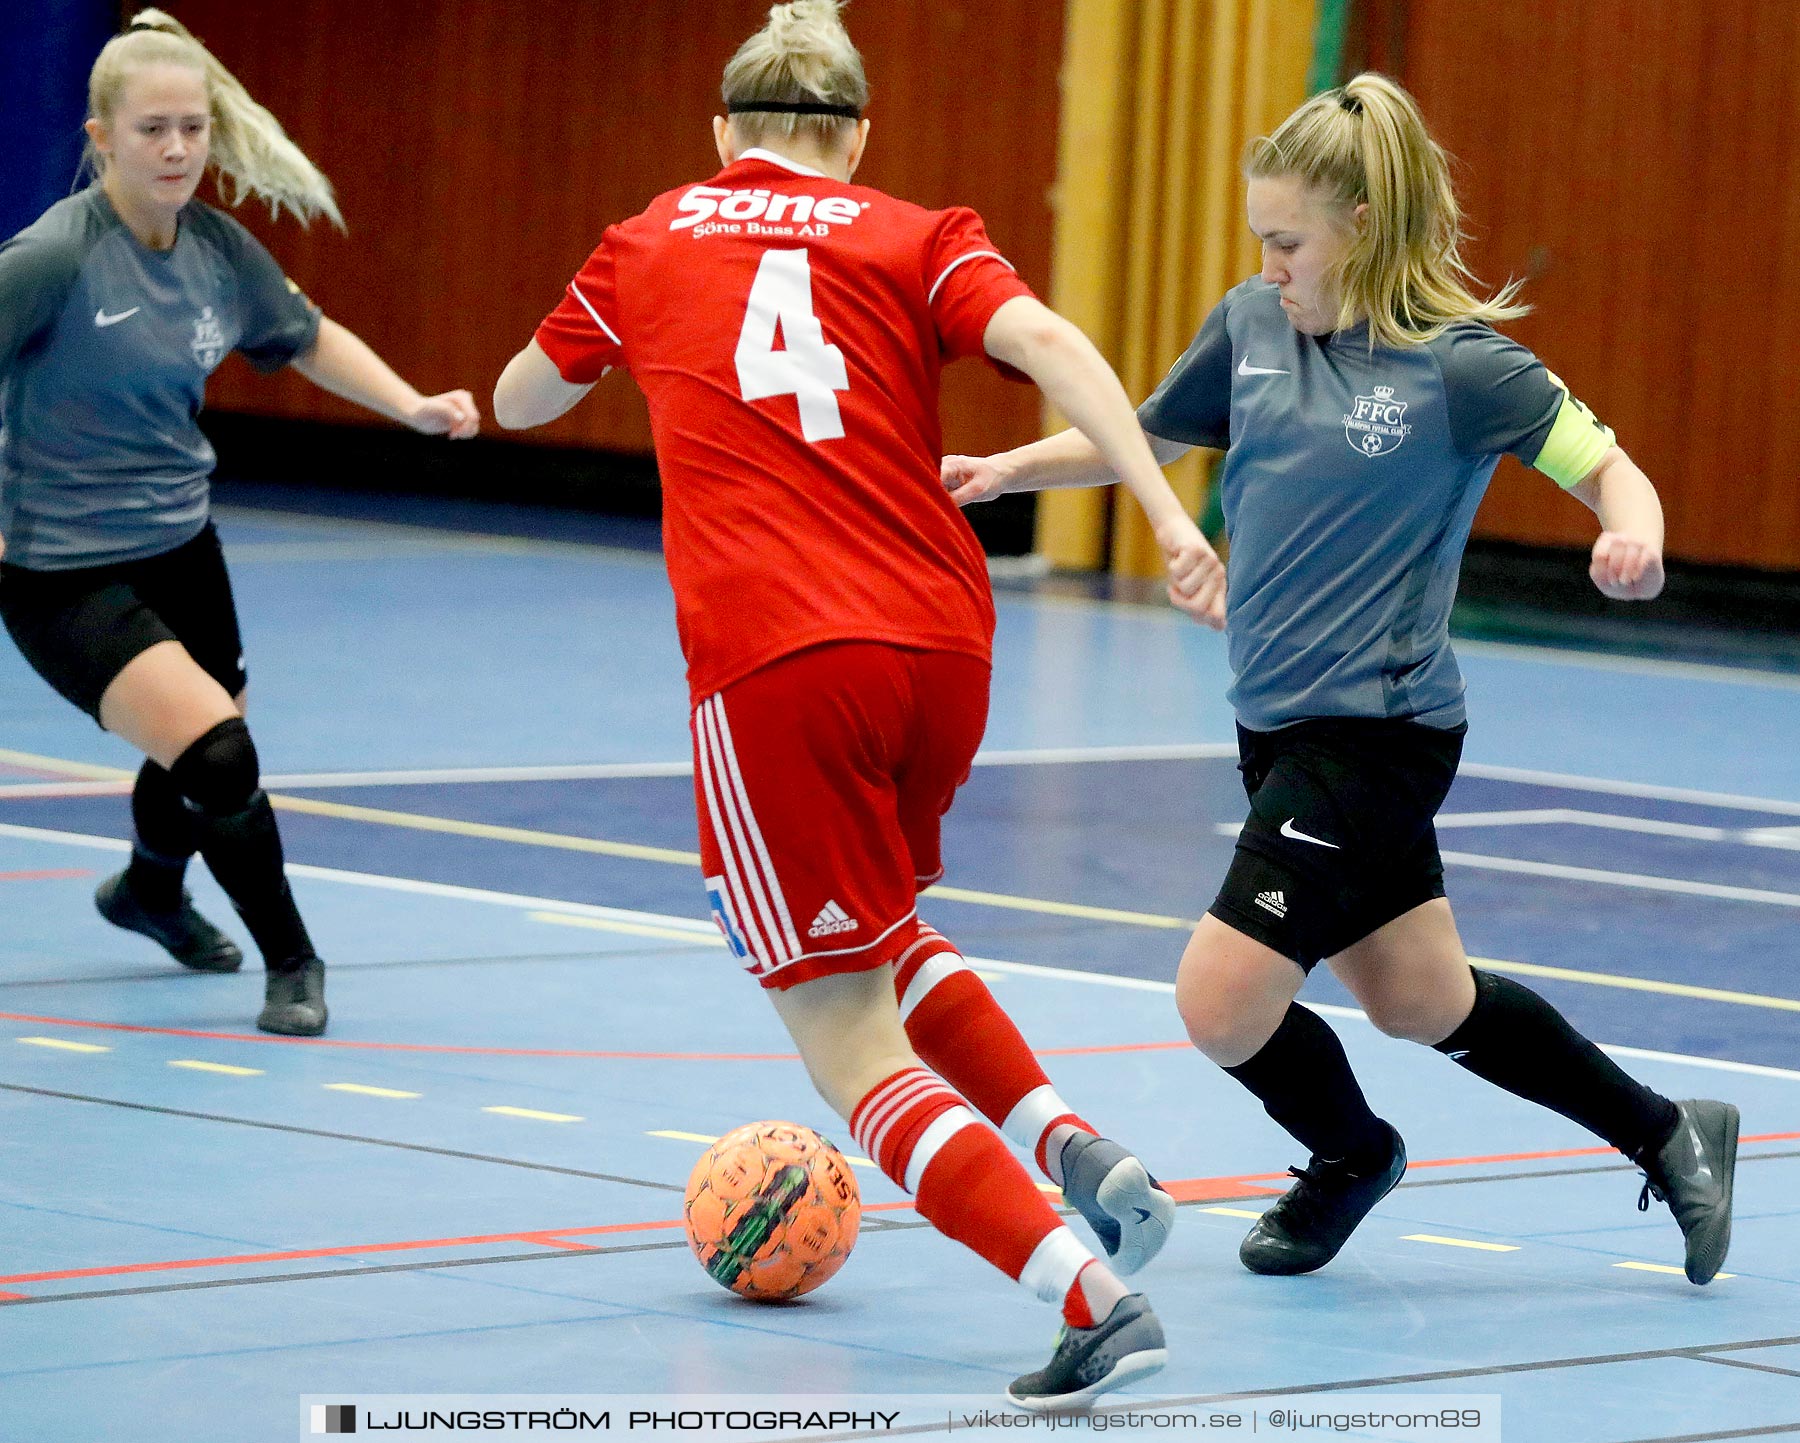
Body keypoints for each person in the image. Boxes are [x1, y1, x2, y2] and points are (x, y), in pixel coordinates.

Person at [495, 0, 1228, 1409]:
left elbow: (529, 398)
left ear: (721, 134)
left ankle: (1084, 1287)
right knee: (885, 926)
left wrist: (572, 358)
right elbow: (1060, 346)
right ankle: (1079, 1148)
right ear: (858, 137)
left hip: (781, 654)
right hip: (944, 640)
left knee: (844, 1032)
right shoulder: (916, 229)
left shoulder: (648, 238)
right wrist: (1158, 507)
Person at [944, 73, 1737, 1287]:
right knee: (1423, 1000)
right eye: (1261, 242)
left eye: (1288, 243)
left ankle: (1350, 1155)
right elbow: (1150, 433)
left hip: (1378, 736)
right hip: (1276, 731)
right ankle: (1670, 1132)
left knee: (1219, 999)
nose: (1270, 266)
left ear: (1362, 228)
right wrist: (1007, 468)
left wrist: (1634, 534)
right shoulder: (1252, 327)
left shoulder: (1463, 369)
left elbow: (1606, 465)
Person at [0, 11, 479, 1037]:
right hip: (61, 570)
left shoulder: (218, 251)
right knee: (218, 756)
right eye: (152, 131)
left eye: (194, 129)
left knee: (202, 758)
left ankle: (147, 894)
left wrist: (413, 404)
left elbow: (303, 337)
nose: (178, 151)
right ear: (99, 138)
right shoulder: (51, 258)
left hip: (180, 543)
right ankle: (294, 963)